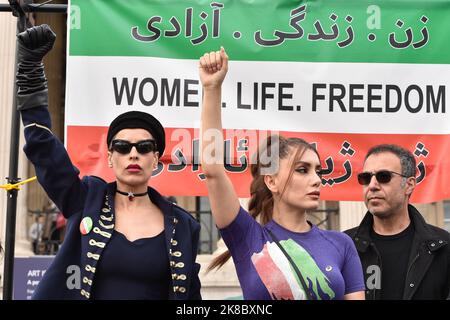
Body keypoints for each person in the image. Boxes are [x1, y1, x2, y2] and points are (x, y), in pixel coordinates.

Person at [16, 24, 201, 300]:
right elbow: (46, 152)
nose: (133, 154)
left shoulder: (184, 226)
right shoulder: (86, 199)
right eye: (123, 147)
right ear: (111, 158)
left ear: (156, 161)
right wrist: (31, 77)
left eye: (144, 147)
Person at [199, 47, 365, 300]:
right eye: (302, 170)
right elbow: (212, 170)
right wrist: (212, 89)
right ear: (272, 181)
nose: (316, 179)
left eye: (318, 171)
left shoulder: (341, 244)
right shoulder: (247, 237)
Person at [345, 144, 450, 299]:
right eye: (365, 178)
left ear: (409, 185)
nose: (372, 186)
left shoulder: (442, 246)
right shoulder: (344, 245)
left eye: (384, 177)